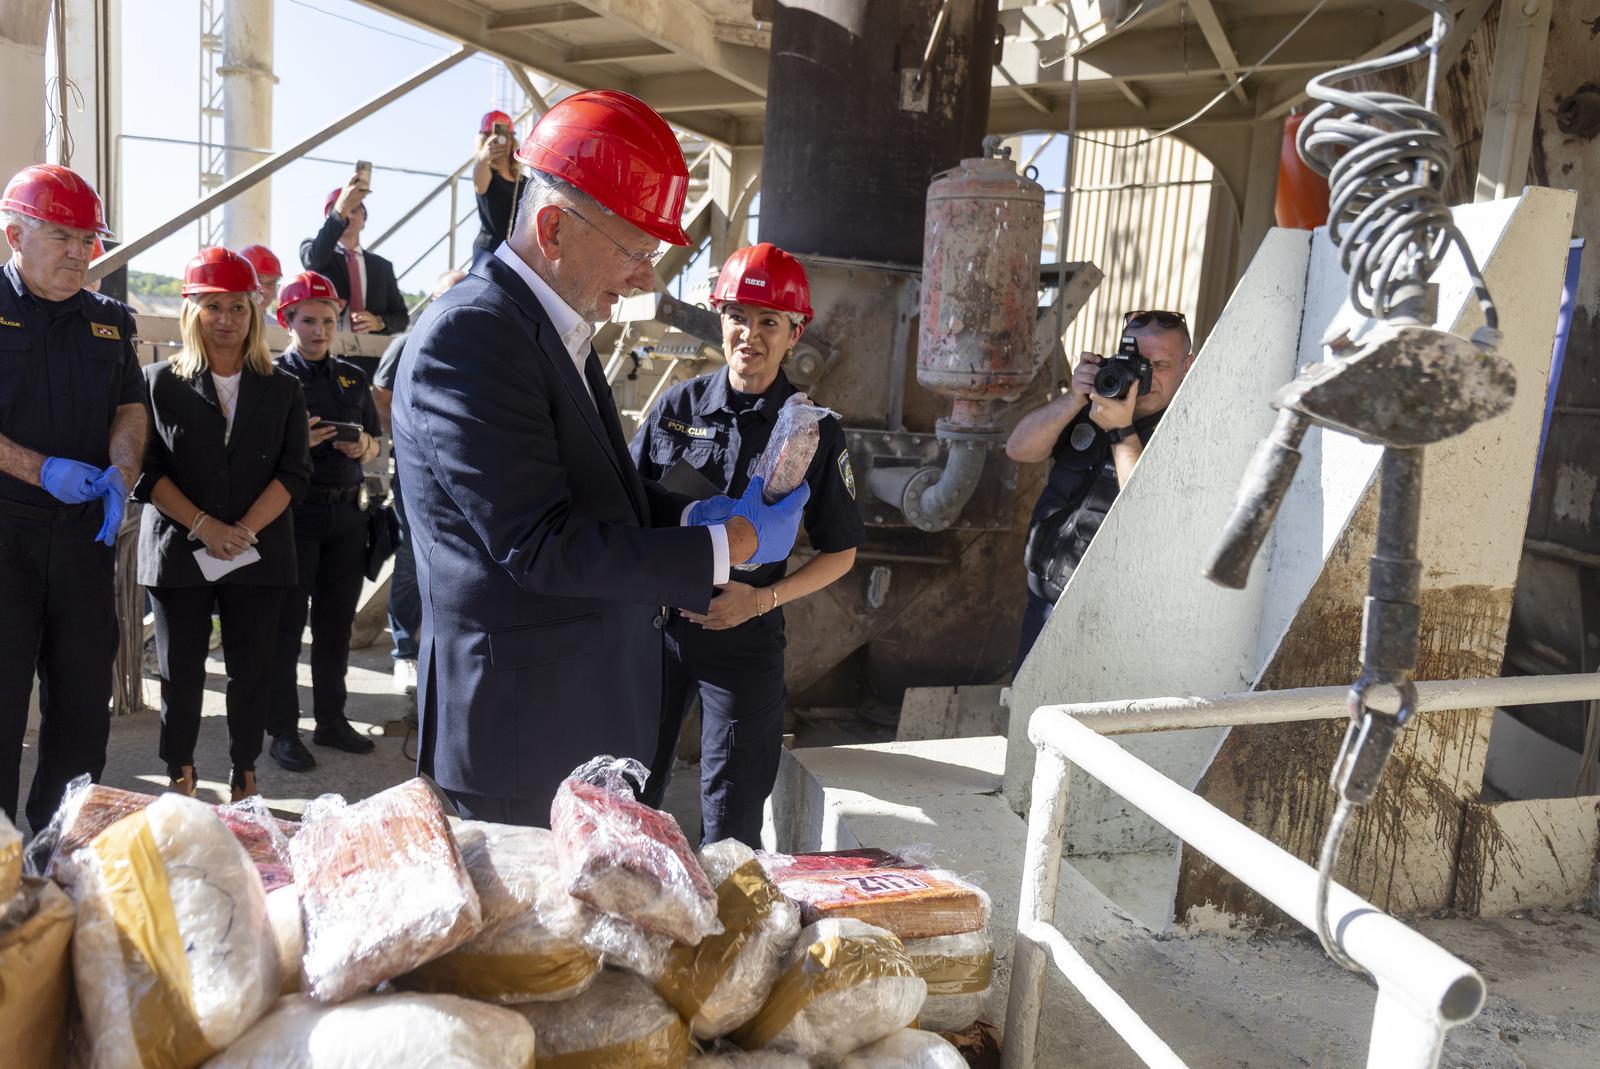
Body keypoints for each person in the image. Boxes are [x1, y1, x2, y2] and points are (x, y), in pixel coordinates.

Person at [391, 89, 809, 825]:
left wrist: (701, 515)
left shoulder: (551, 328)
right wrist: (716, 546)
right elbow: (539, 543)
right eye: (637, 251)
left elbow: (595, 494)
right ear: (553, 227)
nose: (647, 276)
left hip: (568, 723)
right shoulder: (474, 338)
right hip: (519, 744)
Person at [630, 244, 864, 848]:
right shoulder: (677, 407)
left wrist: (758, 603)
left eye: (769, 322)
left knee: (731, 821)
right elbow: (625, 507)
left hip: (744, 634)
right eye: (737, 316)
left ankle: (727, 936)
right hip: (654, 630)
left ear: (795, 333)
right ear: (719, 319)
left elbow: (841, 553)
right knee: (624, 798)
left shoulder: (810, 430)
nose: (749, 335)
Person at [0, 164, 147, 831]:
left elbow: (130, 407)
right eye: (61, 234)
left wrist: (121, 470)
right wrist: (39, 468)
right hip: (5, 535)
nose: (79, 252)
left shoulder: (111, 321)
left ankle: (60, 851)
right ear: (14, 235)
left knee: (84, 708)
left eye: (87, 238)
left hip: (84, 538)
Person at [135, 248, 311, 801]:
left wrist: (242, 531)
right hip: (178, 548)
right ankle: (180, 770)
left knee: (251, 671)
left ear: (254, 312)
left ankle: (244, 771)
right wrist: (206, 526)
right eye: (213, 306)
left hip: (257, 552)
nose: (227, 319)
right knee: (179, 674)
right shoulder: (157, 383)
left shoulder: (283, 388)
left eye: (237, 307)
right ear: (192, 312)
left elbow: (294, 471)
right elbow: (147, 469)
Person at [1007, 310, 1196, 666]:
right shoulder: (1094, 404)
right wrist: (1074, 399)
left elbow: (1146, 511)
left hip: (1112, 626)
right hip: (1042, 604)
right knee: (1026, 717)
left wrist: (1122, 432)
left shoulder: (1186, 432)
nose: (1146, 375)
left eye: (1161, 364)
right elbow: (1019, 448)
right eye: (1138, 362)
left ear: (1188, 367)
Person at [266, 271, 383, 772]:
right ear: (286, 321)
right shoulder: (271, 380)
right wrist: (299, 445)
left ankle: (331, 722)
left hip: (346, 517)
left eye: (328, 321)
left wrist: (363, 446)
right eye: (309, 321)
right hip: (293, 515)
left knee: (336, 627)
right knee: (286, 629)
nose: (319, 330)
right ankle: (283, 732)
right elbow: (251, 455)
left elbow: (377, 445)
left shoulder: (353, 378)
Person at [371, 269, 467, 697]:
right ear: (432, 298)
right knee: (411, 560)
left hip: (458, 476)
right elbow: (380, 396)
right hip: (415, 472)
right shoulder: (405, 342)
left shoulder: (473, 344)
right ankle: (405, 651)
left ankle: (437, 650)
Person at [300, 175, 409, 345]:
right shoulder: (315, 251)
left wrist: (379, 322)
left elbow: (401, 318)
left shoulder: (382, 267)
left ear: (364, 219)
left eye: (354, 210)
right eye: (344, 212)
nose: (349, 216)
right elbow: (314, 261)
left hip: (372, 355)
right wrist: (339, 211)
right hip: (330, 351)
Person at [472, 110, 528, 255]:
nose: (498, 142)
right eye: (491, 137)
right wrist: (484, 157)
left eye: (504, 137)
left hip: (517, 254)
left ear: (511, 142)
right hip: (489, 252)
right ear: (484, 142)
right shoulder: (485, 173)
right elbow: (479, 181)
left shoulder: (524, 181)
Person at [238, 244, 283, 314]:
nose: (265, 290)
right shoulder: (221, 322)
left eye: (270, 283)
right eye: (258, 281)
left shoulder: (276, 325)